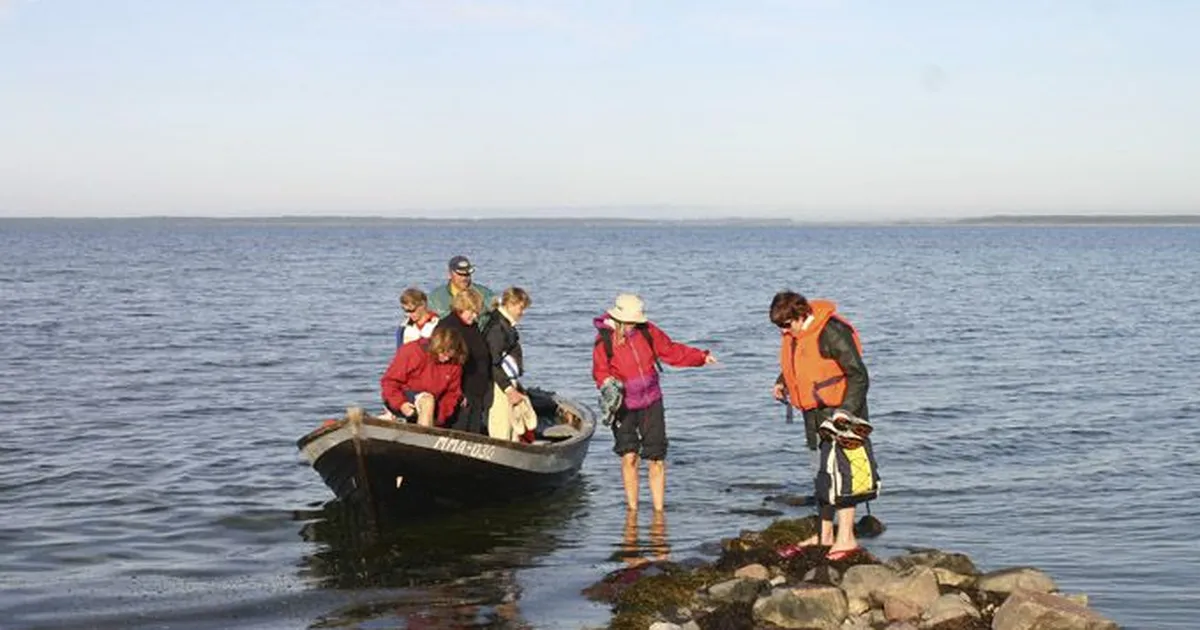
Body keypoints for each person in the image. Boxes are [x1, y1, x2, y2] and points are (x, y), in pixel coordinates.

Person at [592, 293, 718, 513]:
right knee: (629, 457)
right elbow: (599, 372)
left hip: (652, 401)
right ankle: (632, 512)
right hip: (623, 405)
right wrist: (607, 385)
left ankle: (659, 513)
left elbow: (671, 351)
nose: (633, 325)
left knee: (656, 458)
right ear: (619, 318)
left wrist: (700, 357)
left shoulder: (648, 331)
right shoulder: (604, 341)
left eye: (635, 321)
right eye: (630, 322)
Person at [769, 290, 872, 560]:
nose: (783, 330)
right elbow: (800, 362)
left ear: (800, 314)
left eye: (785, 324)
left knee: (844, 473)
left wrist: (845, 411)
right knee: (821, 473)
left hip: (842, 412)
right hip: (814, 414)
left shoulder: (832, 332)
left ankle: (846, 538)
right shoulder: (795, 333)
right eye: (779, 326)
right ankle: (826, 535)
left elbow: (858, 375)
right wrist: (782, 381)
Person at [380, 326, 467, 427]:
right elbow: (389, 382)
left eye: (450, 355)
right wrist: (401, 404)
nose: (446, 358)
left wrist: (440, 418)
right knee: (427, 400)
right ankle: (424, 437)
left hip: (433, 403)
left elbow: (452, 394)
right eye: (443, 353)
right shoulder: (412, 351)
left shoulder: (454, 364)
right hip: (403, 397)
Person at [433, 289, 493, 434]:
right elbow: (444, 363)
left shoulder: (471, 325)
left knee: (474, 431)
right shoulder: (449, 326)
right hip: (461, 392)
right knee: (460, 431)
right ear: (460, 308)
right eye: (471, 311)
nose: (475, 315)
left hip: (477, 390)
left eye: (476, 312)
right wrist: (457, 392)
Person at [484, 287, 538, 443]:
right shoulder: (497, 328)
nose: (523, 313)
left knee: (512, 428)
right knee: (501, 427)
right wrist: (508, 389)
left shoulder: (503, 324)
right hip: (500, 386)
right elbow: (493, 362)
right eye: (521, 308)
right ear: (511, 304)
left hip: (506, 382)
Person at [427, 255, 496, 328]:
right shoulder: (435, 298)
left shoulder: (485, 294)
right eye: (460, 274)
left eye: (467, 274)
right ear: (450, 274)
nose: (464, 278)